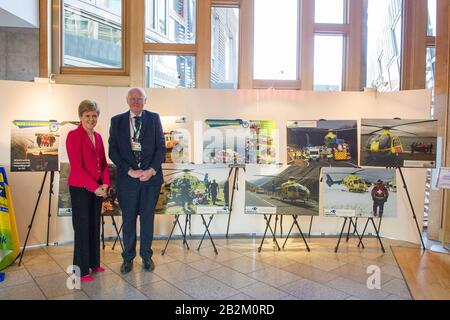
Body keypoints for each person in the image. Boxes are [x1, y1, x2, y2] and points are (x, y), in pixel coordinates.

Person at [109, 88, 165, 274]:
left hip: (150, 180)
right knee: (129, 219)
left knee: (147, 220)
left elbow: (161, 149)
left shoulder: (154, 118)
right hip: (128, 180)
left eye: (139, 99)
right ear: (127, 100)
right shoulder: (116, 121)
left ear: (145, 101)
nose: (135, 101)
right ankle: (128, 258)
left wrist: (151, 170)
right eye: (132, 98)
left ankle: (147, 257)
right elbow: (113, 151)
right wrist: (129, 171)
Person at [66, 100, 110, 282]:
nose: (91, 119)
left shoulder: (98, 137)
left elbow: (104, 164)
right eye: (87, 116)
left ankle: (94, 263)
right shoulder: (73, 136)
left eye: (94, 116)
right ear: (80, 117)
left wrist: (105, 185)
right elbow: (77, 167)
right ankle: (80, 270)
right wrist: (95, 188)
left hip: (98, 189)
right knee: (82, 228)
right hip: (80, 189)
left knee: (94, 225)